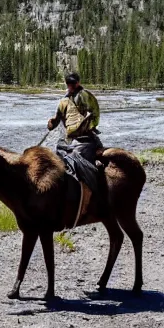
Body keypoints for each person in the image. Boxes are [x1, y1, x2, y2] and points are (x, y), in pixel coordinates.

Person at [47, 72, 102, 225]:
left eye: (73, 83)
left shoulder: (84, 95)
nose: (71, 86)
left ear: (78, 82)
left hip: (85, 138)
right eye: (69, 84)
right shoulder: (63, 102)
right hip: (69, 139)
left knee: (79, 164)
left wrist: (90, 125)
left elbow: (95, 112)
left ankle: (89, 197)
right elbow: (57, 120)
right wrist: (51, 123)